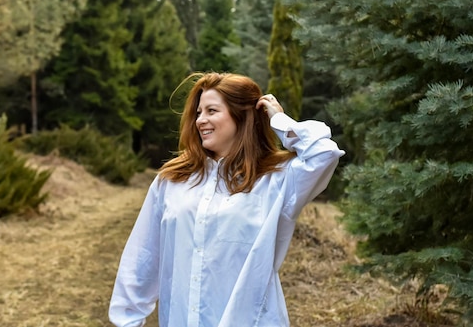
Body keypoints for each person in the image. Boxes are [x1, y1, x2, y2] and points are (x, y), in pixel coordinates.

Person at [108, 72, 345, 327]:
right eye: (198, 112)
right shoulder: (172, 180)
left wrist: (279, 119)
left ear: (241, 116)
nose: (201, 120)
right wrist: (128, 320)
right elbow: (143, 255)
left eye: (211, 110)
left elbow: (325, 153)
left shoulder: (277, 180)